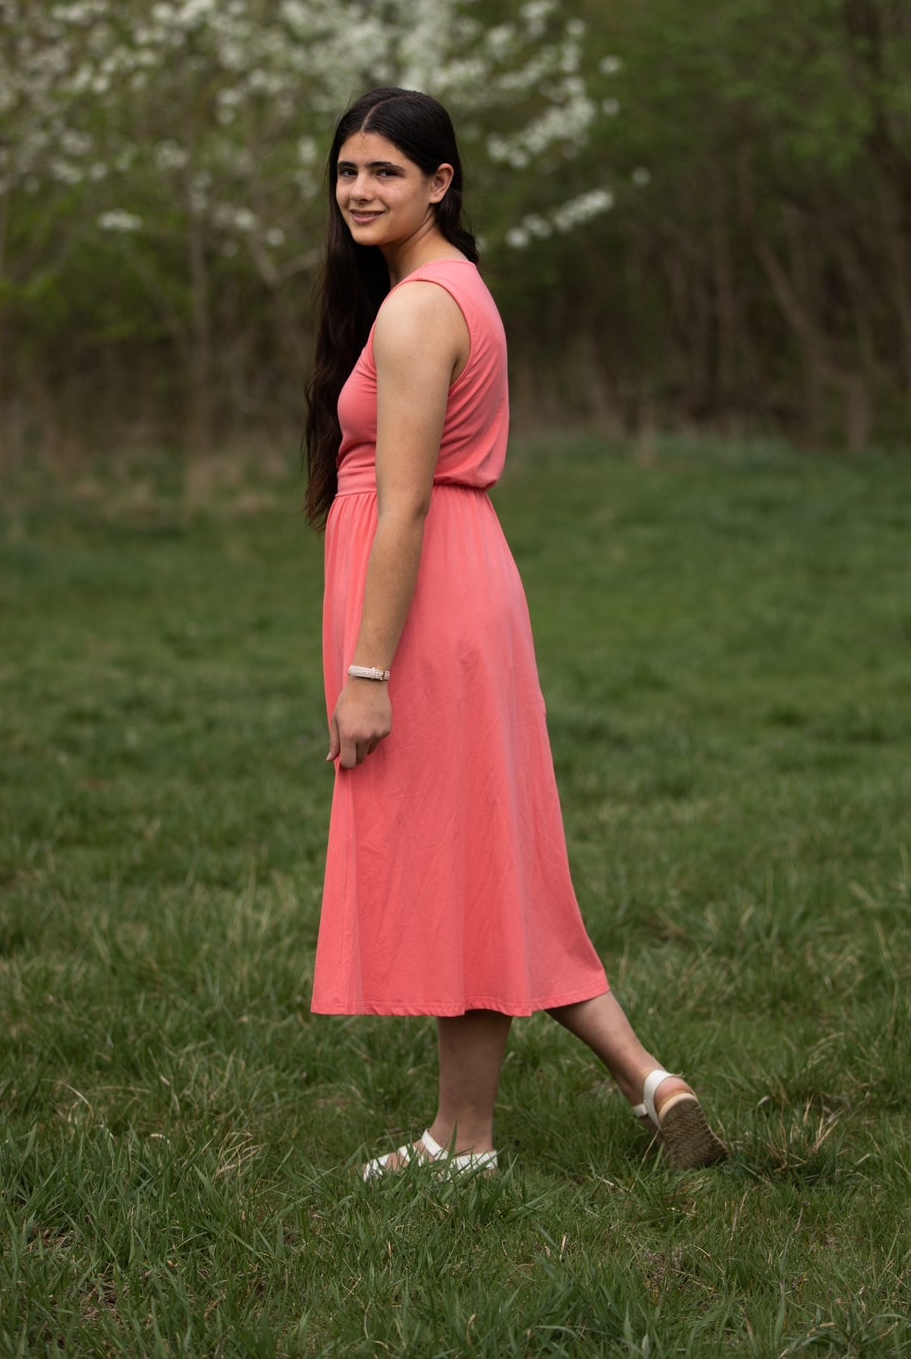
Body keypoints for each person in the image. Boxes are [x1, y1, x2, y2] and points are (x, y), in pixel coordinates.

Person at [304, 85, 727, 1179]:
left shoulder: (414, 308)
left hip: (428, 599)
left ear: (440, 182)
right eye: (347, 169)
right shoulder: (459, 289)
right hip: (468, 577)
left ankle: (466, 1141)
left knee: (457, 868)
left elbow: (400, 504)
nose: (359, 188)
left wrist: (365, 669)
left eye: (385, 170)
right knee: (489, 862)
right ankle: (649, 1081)